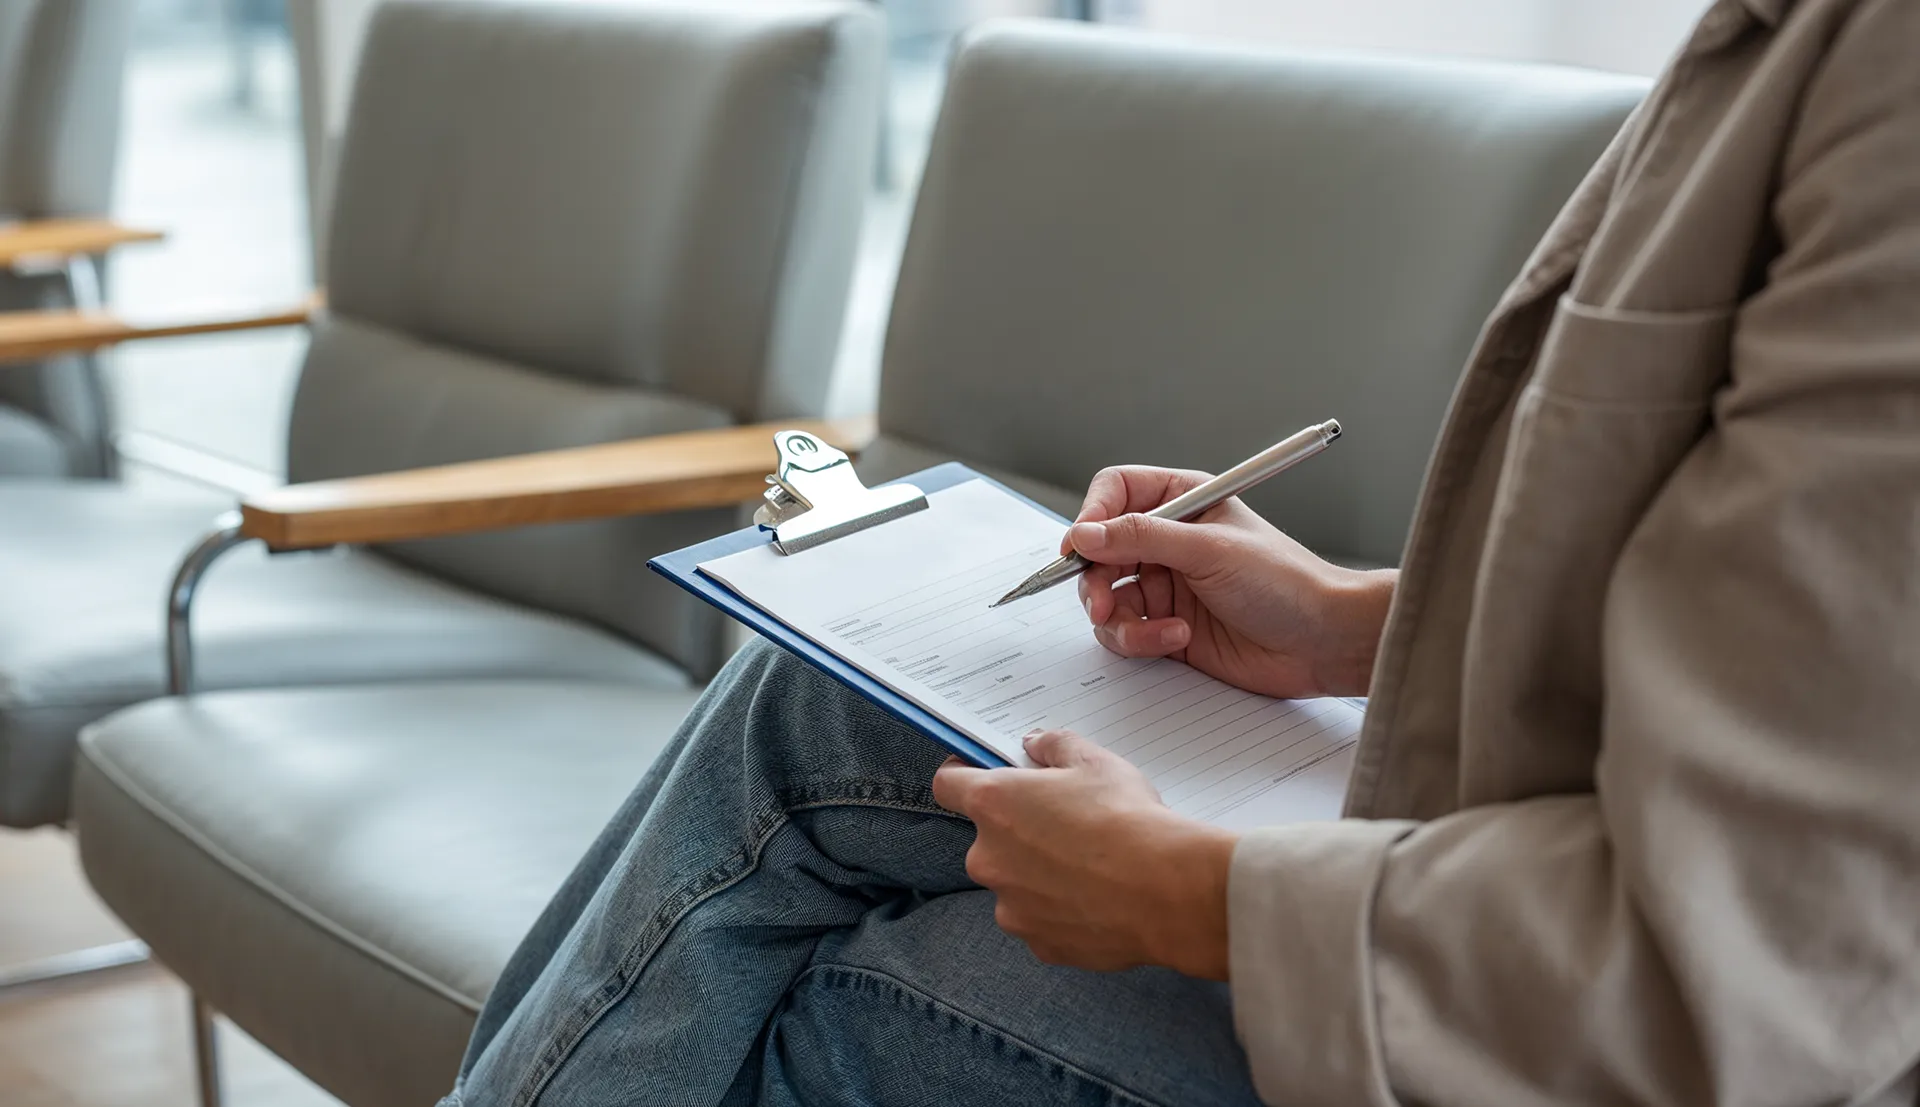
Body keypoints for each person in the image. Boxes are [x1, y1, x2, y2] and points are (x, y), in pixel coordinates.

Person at [440, 0, 1920, 1103]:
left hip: (1617, 1024)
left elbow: (1757, 966)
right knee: (813, 700)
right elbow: (1803, 656)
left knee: (865, 1005)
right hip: (1501, 842)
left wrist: (1190, 899)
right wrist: (1355, 624)